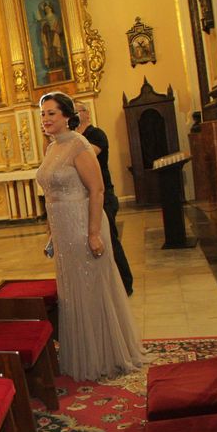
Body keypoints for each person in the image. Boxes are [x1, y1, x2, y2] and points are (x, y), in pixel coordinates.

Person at [36, 91, 146, 381]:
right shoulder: (51, 149)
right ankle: (83, 351)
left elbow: (96, 190)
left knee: (91, 288)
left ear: (67, 116)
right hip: (62, 230)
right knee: (72, 292)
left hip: (82, 225)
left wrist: (94, 232)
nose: (45, 119)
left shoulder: (79, 145)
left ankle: (104, 355)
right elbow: (50, 194)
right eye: (42, 114)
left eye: (51, 113)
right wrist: (51, 235)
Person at [75, 101, 134, 295]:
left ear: (87, 114)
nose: (73, 115)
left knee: (108, 239)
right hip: (82, 197)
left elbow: (87, 156)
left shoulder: (95, 134)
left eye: (77, 111)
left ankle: (125, 283)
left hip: (103, 194)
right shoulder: (73, 139)